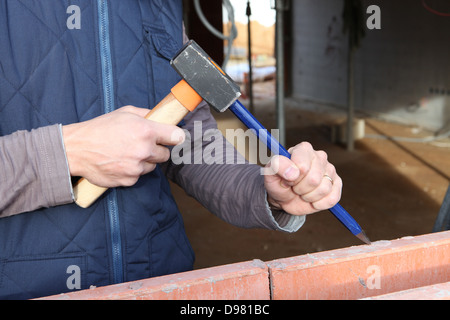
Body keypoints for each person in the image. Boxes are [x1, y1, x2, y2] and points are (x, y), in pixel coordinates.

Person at [0, 0, 341, 299]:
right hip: (30, 286)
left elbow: (191, 143)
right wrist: (65, 153)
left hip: (162, 277)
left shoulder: (159, 4)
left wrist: (264, 192)